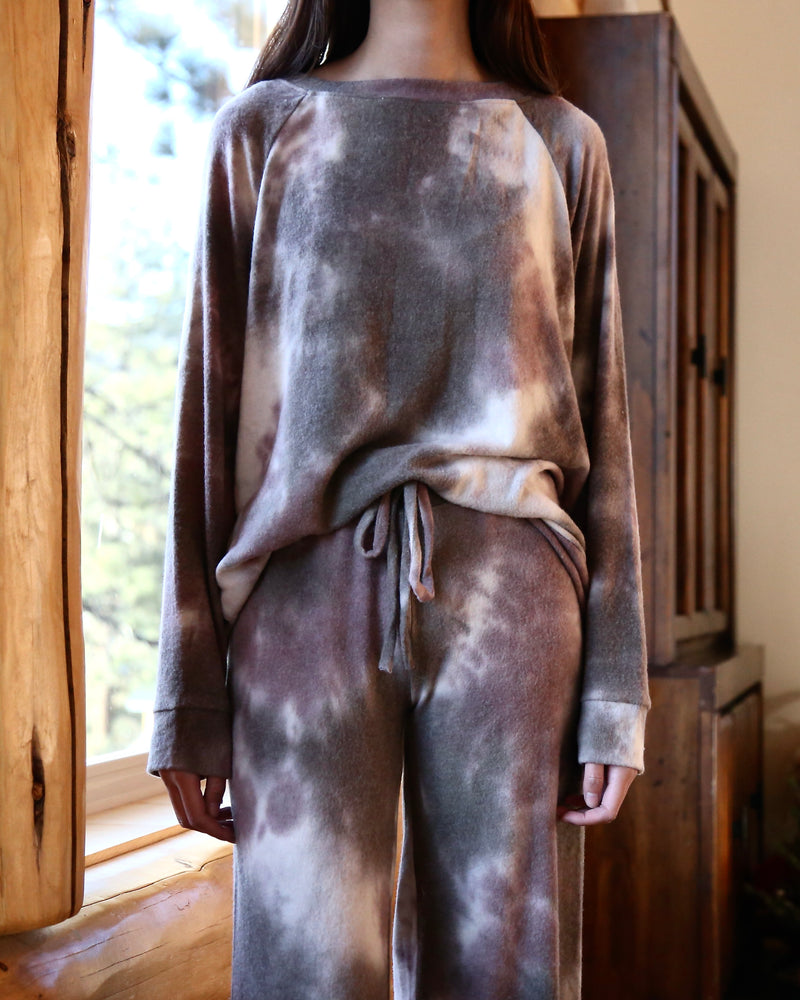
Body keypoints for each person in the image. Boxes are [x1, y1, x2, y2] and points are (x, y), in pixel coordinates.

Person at [146, 0, 652, 996]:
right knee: (303, 970)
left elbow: (604, 426)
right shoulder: (261, 130)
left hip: (513, 609)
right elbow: (208, 417)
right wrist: (188, 692)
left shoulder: (560, 141)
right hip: (300, 597)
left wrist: (613, 692)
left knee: (502, 970)